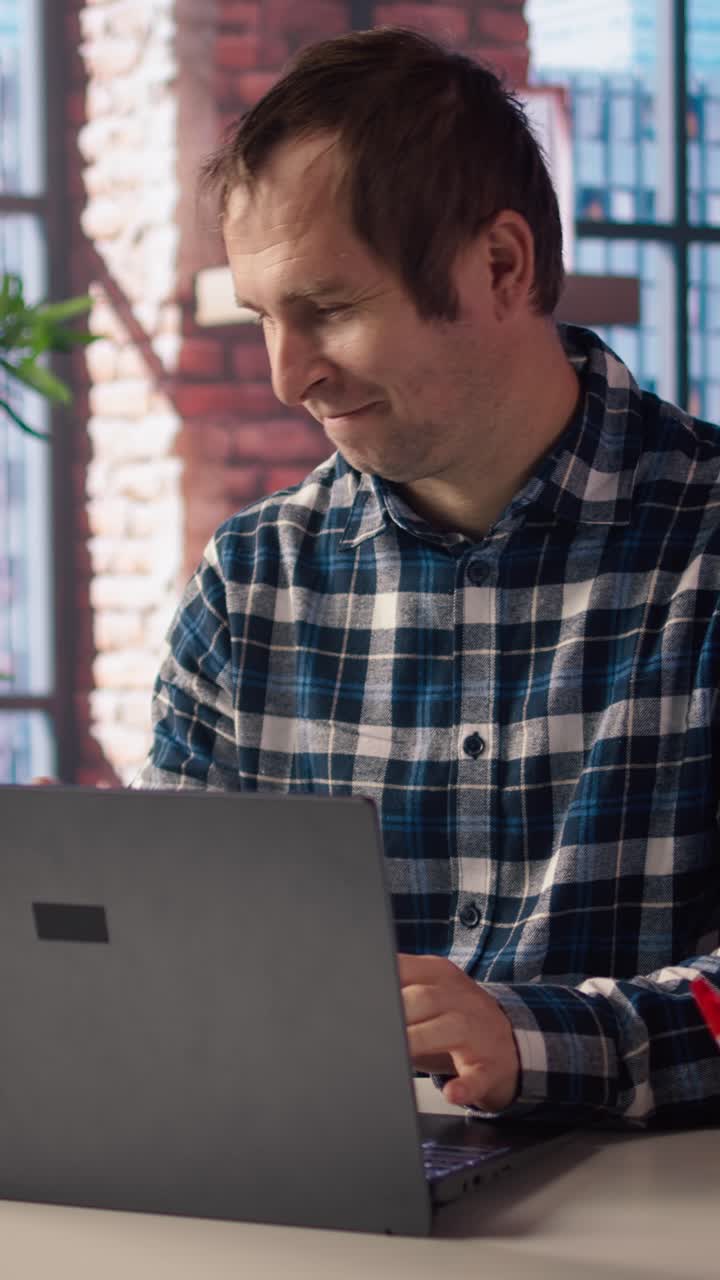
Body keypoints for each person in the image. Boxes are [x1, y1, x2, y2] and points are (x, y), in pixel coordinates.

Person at [134, 27, 720, 1127]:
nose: (286, 374)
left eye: (331, 309)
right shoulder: (249, 585)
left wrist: (530, 1037)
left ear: (500, 266)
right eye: (264, 315)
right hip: (320, 1202)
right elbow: (165, 956)